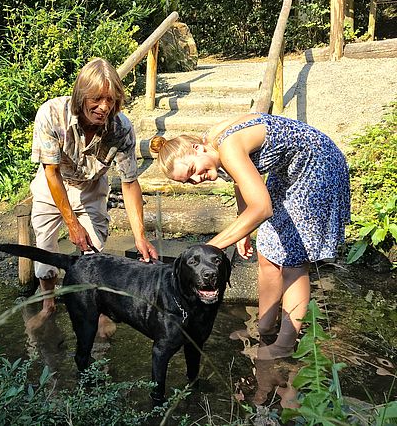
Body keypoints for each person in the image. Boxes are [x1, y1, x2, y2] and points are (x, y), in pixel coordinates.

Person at [149, 113, 350, 360]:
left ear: (197, 148)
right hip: (289, 170)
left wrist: (209, 248)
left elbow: (262, 208)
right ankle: (266, 328)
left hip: (317, 166)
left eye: (193, 169)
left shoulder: (228, 147)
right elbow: (240, 181)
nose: (196, 179)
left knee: (294, 261)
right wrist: (244, 227)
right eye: (189, 181)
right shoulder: (213, 144)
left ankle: (284, 345)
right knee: (267, 252)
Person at [29, 57, 158, 330]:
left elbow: (130, 182)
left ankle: (99, 311)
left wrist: (140, 237)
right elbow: (51, 172)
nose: (104, 108)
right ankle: (48, 304)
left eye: (110, 100)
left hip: (92, 186)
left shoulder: (121, 128)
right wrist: (72, 224)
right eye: (97, 99)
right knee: (45, 246)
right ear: (81, 95)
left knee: (95, 249)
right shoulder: (52, 114)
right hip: (54, 184)